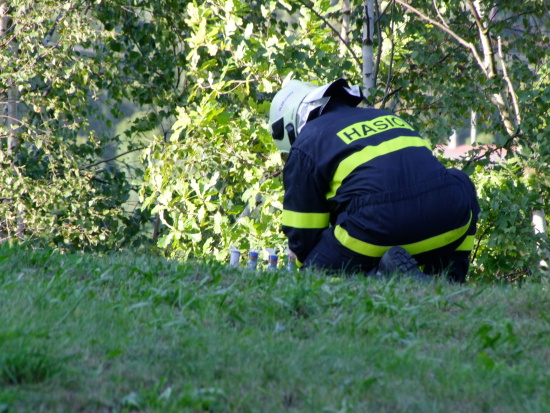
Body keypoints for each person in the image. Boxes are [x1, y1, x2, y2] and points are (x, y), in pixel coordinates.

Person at [268, 78, 480, 283]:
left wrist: (308, 266)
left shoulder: (308, 141)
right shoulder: (387, 117)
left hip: (377, 225)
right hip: (450, 221)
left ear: (289, 127)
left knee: (315, 279)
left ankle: (380, 278)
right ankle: (448, 280)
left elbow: (303, 238)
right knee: (459, 182)